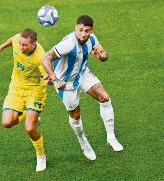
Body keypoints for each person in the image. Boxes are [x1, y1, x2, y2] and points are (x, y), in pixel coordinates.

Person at [41, 15, 123, 161]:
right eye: (80, 30)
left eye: (87, 30)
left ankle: (111, 137)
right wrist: (54, 79)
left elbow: (103, 54)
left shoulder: (91, 38)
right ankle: (83, 141)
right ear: (75, 28)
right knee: (76, 115)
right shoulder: (68, 44)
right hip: (66, 83)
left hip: (83, 74)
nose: (83, 34)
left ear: (91, 30)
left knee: (104, 98)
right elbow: (45, 58)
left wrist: (102, 55)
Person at [0, 28, 48, 171]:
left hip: (35, 91)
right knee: (7, 123)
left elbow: (47, 77)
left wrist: (51, 78)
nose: (21, 47)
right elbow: (13, 39)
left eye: (25, 45)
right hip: (16, 87)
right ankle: (26, 113)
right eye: (20, 44)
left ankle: (41, 156)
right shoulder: (18, 40)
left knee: (30, 128)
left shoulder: (41, 57)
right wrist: (1, 47)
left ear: (34, 44)